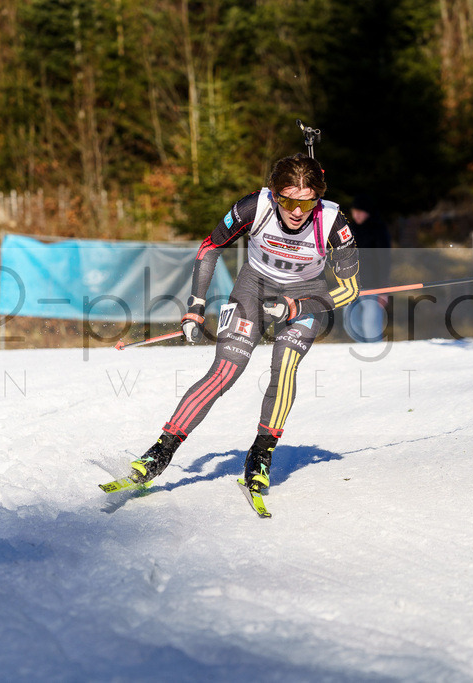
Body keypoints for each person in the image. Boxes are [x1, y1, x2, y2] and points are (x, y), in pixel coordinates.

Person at [128, 153, 360, 492]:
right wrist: (195, 306)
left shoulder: (333, 221)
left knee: (286, 363)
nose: (296, 212)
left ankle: (261, 455)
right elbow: (210, 247)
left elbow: (350, 289)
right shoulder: (254, 207)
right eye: (286, 200)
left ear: (318, 197)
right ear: (273, 193)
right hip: (253, 288)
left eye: (307, 203)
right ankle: (160, 452)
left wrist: (298, 305)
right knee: (226, 369)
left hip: (307, 296)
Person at [344, 194, 392, 343]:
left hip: (373, 287)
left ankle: (375, 355)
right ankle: (361, 356)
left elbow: (384, 261)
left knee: (371, 327)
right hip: (351, 286)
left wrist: (383, 289)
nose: (357, 214)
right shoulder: (348, 230)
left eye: (361, 211)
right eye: (354, 211)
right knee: (352, 325)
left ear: (368, 212)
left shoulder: (378, 230)